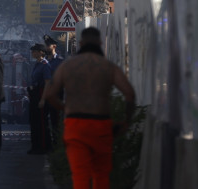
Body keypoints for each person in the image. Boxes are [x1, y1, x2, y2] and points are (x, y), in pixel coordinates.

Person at [43, 27, 136, 189]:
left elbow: (50, 95)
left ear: (80, 43)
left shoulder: (67, 66)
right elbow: (129, 94)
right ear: (100, 43)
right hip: (101, 125)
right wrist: (126, 122)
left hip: (75, 125)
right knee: (101, 175)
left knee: (80, 175)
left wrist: (66, 109)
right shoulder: (107, 66)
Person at [27, 43, 52, 154]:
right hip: (34, 94)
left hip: (41, 93)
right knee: (34, 121)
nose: (33, 53)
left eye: (35, 51)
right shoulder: (37, 64)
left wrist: (43, 99)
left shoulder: (45, 64)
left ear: (41, 52)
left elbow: (47, 83)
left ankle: (43, 146)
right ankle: (35, 145)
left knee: (41, 122)